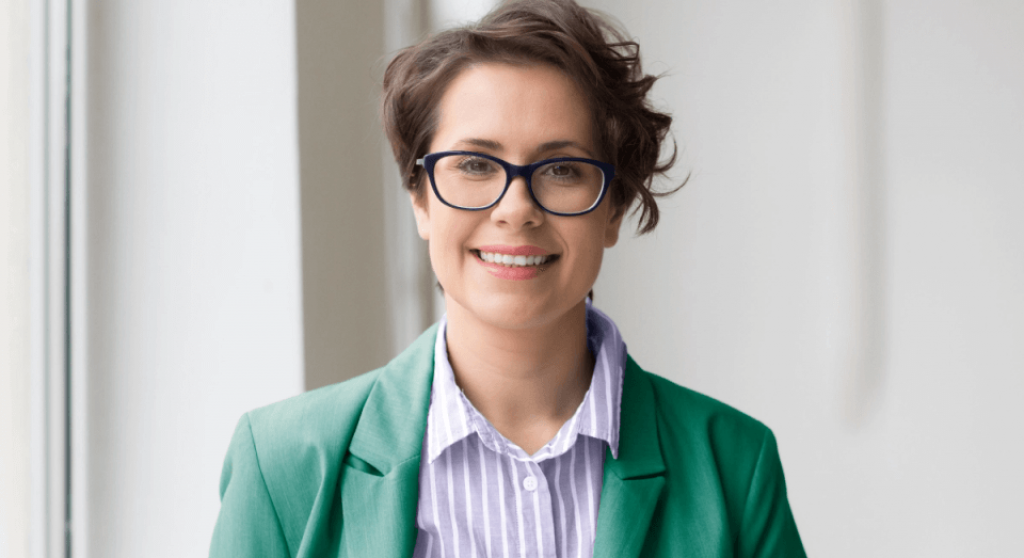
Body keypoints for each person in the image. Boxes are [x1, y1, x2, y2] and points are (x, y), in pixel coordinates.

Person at [210, 0, 806, 556]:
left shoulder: (734, 463)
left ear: (614, 209)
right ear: (419, 198)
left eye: (563, 169)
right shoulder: (282, 463)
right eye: (473, 164)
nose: (516, 207)